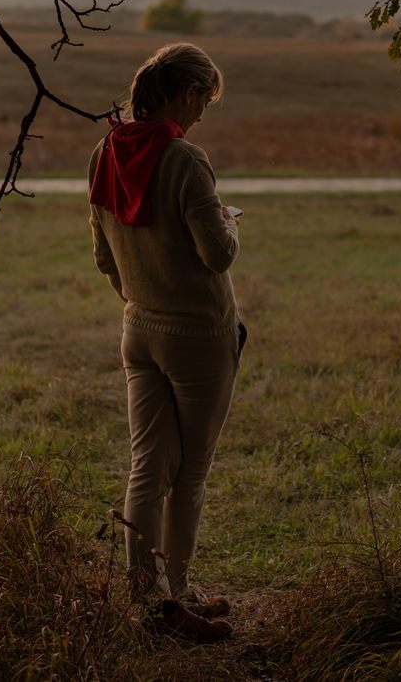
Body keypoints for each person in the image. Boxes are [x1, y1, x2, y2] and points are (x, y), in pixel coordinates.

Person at [87, 42, 243, 642]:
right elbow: (218, 253)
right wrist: (228, 219)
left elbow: (104, 256)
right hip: (198, 335)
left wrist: (141, 297)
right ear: (188, 93)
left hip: (138, 327)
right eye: (205, 99)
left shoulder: (105, 151)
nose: (204, 112)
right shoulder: (185, 160)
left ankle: (147, 600)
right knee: (192, 473)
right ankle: (178, 596)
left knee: (147, 468)